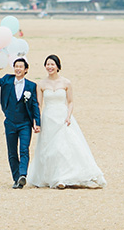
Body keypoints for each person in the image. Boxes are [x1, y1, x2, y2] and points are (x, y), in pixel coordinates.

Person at [26, 54, 105, 189]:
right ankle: (52, 176)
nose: (49, 67)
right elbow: (38, 104)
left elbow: (70, 102)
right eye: (47, 64)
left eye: (52, 64)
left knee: (63, 147)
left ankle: (62, 177)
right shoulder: (41, 84)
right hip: (48, 118)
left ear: (58, 66)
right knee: (50, 149)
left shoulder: (66, 83)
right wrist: (36, 121)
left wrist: (68, 116)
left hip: (63, 118)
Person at [0, 54, 41, 189]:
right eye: (16, 66)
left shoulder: (31, 86)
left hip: (25, 123)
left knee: (24, 149)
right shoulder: (7, 80)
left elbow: (35, 105)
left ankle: (23, 174)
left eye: (21, 67)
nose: (18, 69)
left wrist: (37, 122)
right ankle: (17, 179)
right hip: (10, 123)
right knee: (12, 152)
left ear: (26, 69)